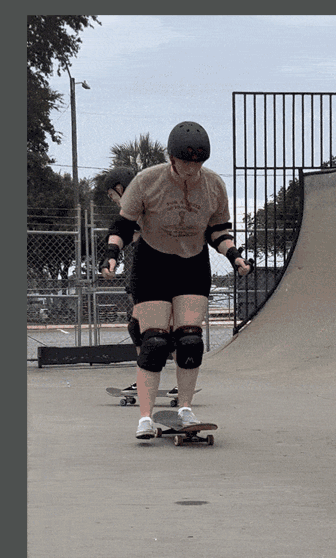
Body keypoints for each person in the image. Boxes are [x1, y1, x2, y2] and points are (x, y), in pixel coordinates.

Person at [100, 121, 251, 439]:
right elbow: (123, 225)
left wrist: (234, 256)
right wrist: (111, 254)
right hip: (152, 263)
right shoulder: (147, 181)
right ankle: (145, 417)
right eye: (186, 164)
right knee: (154, 343)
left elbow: (217, 230)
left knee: (190, 341)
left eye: (198, 164)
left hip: (192, 265)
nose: (192, 171)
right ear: (172, 158)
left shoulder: (213, 185)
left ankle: (184, 408)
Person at [101, 166, 177, 400]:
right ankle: (145, 378)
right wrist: (111, 254)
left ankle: (177, 380)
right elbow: (119, 231)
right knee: (138, 328)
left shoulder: (150, 205)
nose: (115, 202)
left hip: (171, 274)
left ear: (121, 189)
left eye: (114, 196)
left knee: (171, 331)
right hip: (149, 276)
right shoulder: (132, 213)